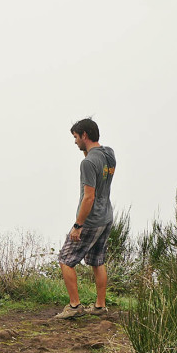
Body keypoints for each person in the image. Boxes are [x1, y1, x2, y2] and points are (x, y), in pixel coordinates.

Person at [55, 118, 116, 320]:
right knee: (97, 261)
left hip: (91, 220)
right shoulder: (109, 154)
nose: (74, 142)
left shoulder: (88, 163)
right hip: (106, 216)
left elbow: (88, 197)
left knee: (65, 259)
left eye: (75, 137)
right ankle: (100, 306)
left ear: (84, 136)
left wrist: (77, 225)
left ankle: (74, 306)